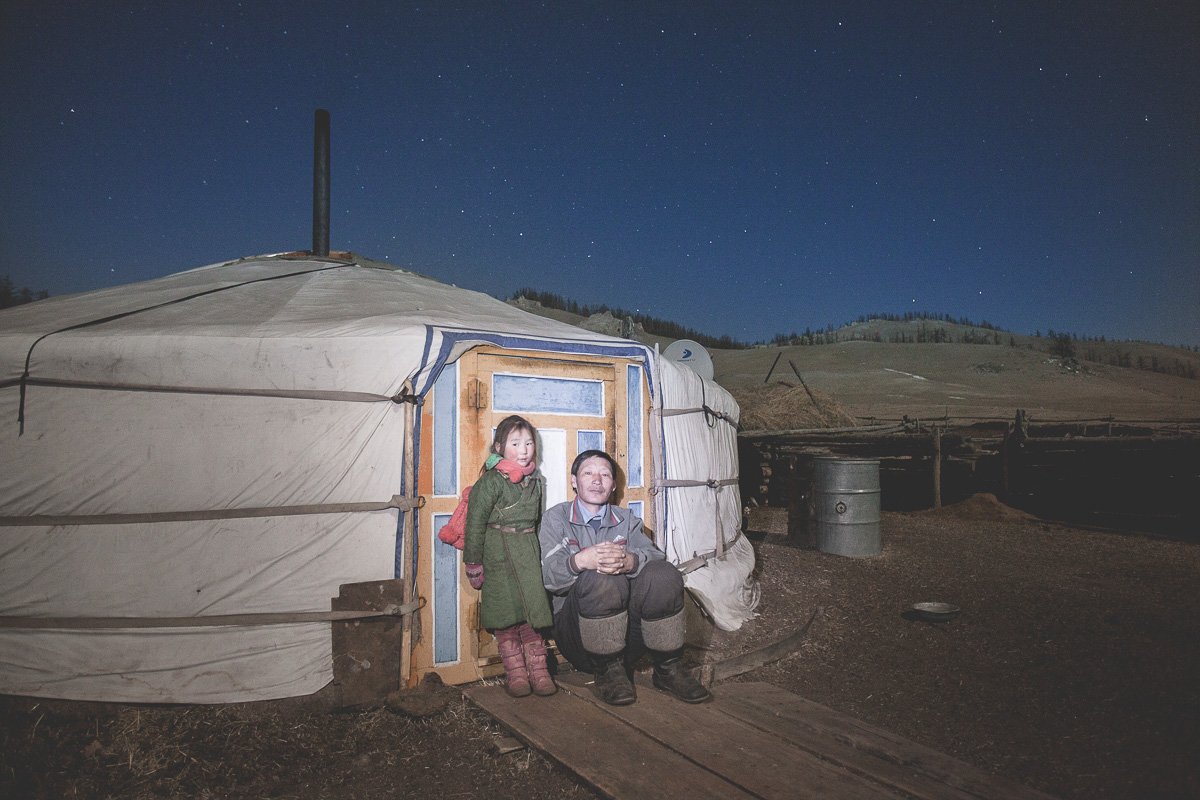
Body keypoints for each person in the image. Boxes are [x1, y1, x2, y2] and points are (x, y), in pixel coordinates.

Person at [539, 449, 710, 706]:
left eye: (605, 475)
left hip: (629, 639)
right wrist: (580, 561)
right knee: (601, 577)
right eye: (588, 473)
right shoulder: (556, 519)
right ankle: (607, 672)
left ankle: (667, 668)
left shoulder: (625, 519)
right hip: (579, 637)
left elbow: (654, 556)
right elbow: (547, 577)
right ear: (574, 480)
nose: (597, 480)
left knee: (663, 574)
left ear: (613, 485)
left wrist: (630, 562)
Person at [463, 415, 556, 697]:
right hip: (497, 553)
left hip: (527, 551)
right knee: (505, 617)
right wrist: (473, 562)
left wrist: (540, 554)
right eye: (516, 443)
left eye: (529, 443)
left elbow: (538, 521)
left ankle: (539, 674)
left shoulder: (536, 481)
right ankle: (516, 675)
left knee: (532, 615)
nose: (524, 449)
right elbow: (475, 522)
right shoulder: (490, 482)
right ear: (499, 446)